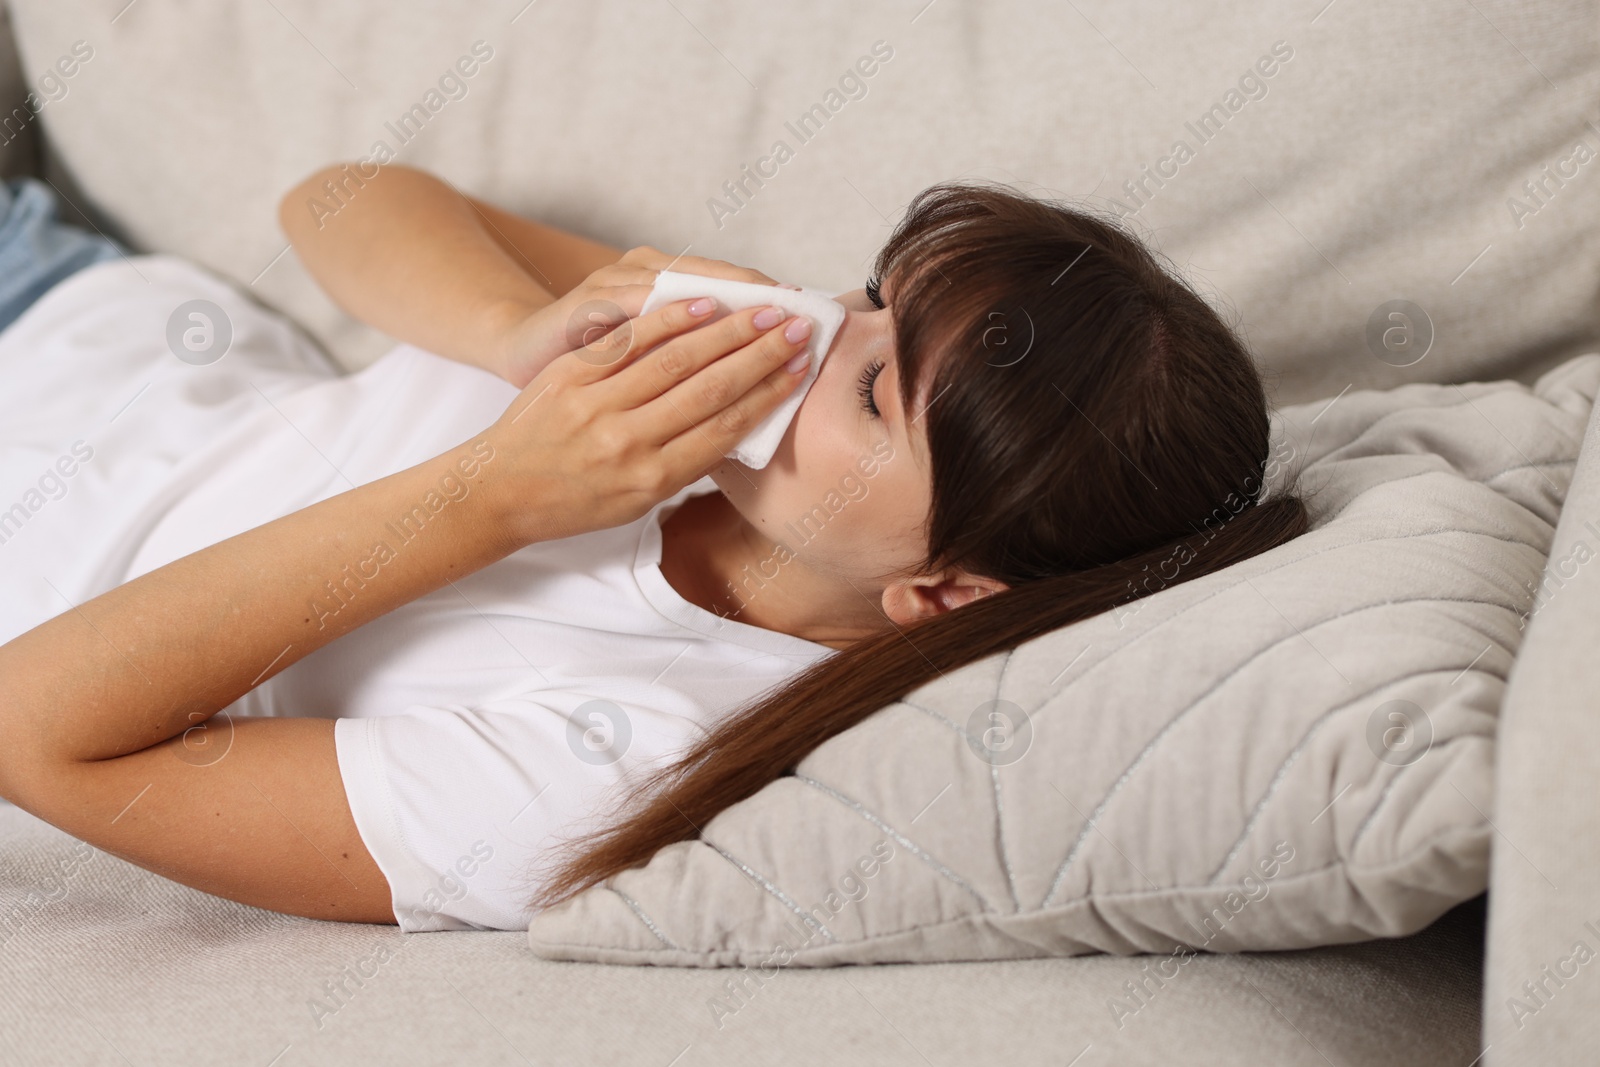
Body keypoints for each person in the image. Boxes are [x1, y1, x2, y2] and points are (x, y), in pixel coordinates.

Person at [0, 163, 1306, 932]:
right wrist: (519, 329)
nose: (808, 331)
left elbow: (32, 728)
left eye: (871, 389)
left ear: (945, 590)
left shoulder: (618, 760)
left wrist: (495, 497)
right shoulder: (741, 345)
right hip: (55, 302)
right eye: (871, 300)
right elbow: (338, 197)